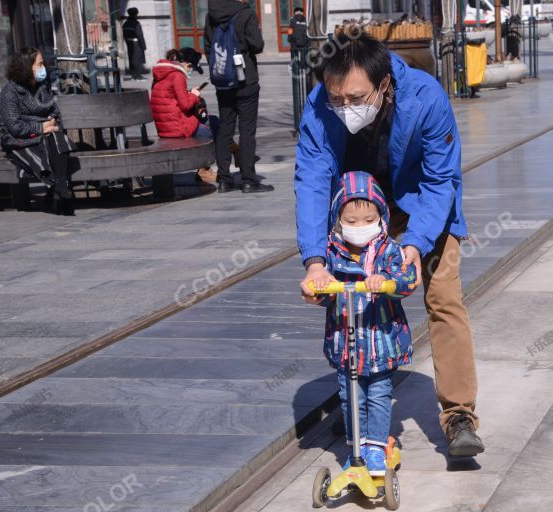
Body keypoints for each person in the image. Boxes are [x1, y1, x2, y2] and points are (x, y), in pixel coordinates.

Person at [296, 33, 485, 458]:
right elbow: (311, 179)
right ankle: (361, 405)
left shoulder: (426, 97)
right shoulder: (319, 104)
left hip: (421, 203)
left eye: (355, 98)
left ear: (383, 85)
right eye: (336, 99)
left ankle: (459, 416)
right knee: (349, 298)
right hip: (356, 208)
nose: (345, 107)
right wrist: (313, 260)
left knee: (443, 295)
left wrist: (415, 246)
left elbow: (441, 180)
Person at [308, 170, 417, 474]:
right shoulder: (331, 252)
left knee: (379, 395)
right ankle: (355, 448)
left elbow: (407, 278)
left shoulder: (388, 250)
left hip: (380, 341)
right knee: (350, 397)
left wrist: (388, 281)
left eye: (369, 220)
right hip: (346, 343)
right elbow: (324, 290)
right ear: (338, 219)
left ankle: (377, 447)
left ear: (381, 217)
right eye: (351, 221)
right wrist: (319, 290)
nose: (360, 227)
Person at [0, 47, 76, 215]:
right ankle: (58, 189)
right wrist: (41, 127)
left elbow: (54, 112)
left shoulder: (42, 87)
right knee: (48, 141)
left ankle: (58, 186)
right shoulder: (10, 92)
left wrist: (48, 126)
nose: (43, 68)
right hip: (18, 139)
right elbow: (15, 127)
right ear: (26, 67)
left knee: (56, 137)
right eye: (39, 64)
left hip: (43, 133)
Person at [204, 0, 274, 194]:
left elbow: (208, 47)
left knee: (225, 128)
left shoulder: (211, 14)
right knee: (247, 130)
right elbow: (257, 45)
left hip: (223, 79)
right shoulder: (246, 14)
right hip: (245, 79)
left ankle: (224, 180)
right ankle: (248, 180)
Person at [150, 48, 217, 184]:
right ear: (187, 65)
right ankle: (205, 170)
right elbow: (186, 105)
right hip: (177, 128)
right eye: (191, 68)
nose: (190, 71)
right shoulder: (177, 75)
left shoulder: (161, 74)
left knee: (210, 120)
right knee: (214, 126)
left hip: (165, 126)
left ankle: (207, 168)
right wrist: (194, 94)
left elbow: (169, 99)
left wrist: (189, 93)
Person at [122, 8, 147, 80]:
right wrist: (144, 46)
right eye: (136, 14)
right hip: (137, 44)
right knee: (138, 60)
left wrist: (128, 43)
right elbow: (140, 36)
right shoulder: (136, 23)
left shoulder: (125, 23)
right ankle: (138, 75)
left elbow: (124, 35)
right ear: (135, 14)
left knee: (131, 59)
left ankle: (133, 75)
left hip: (129, 44)